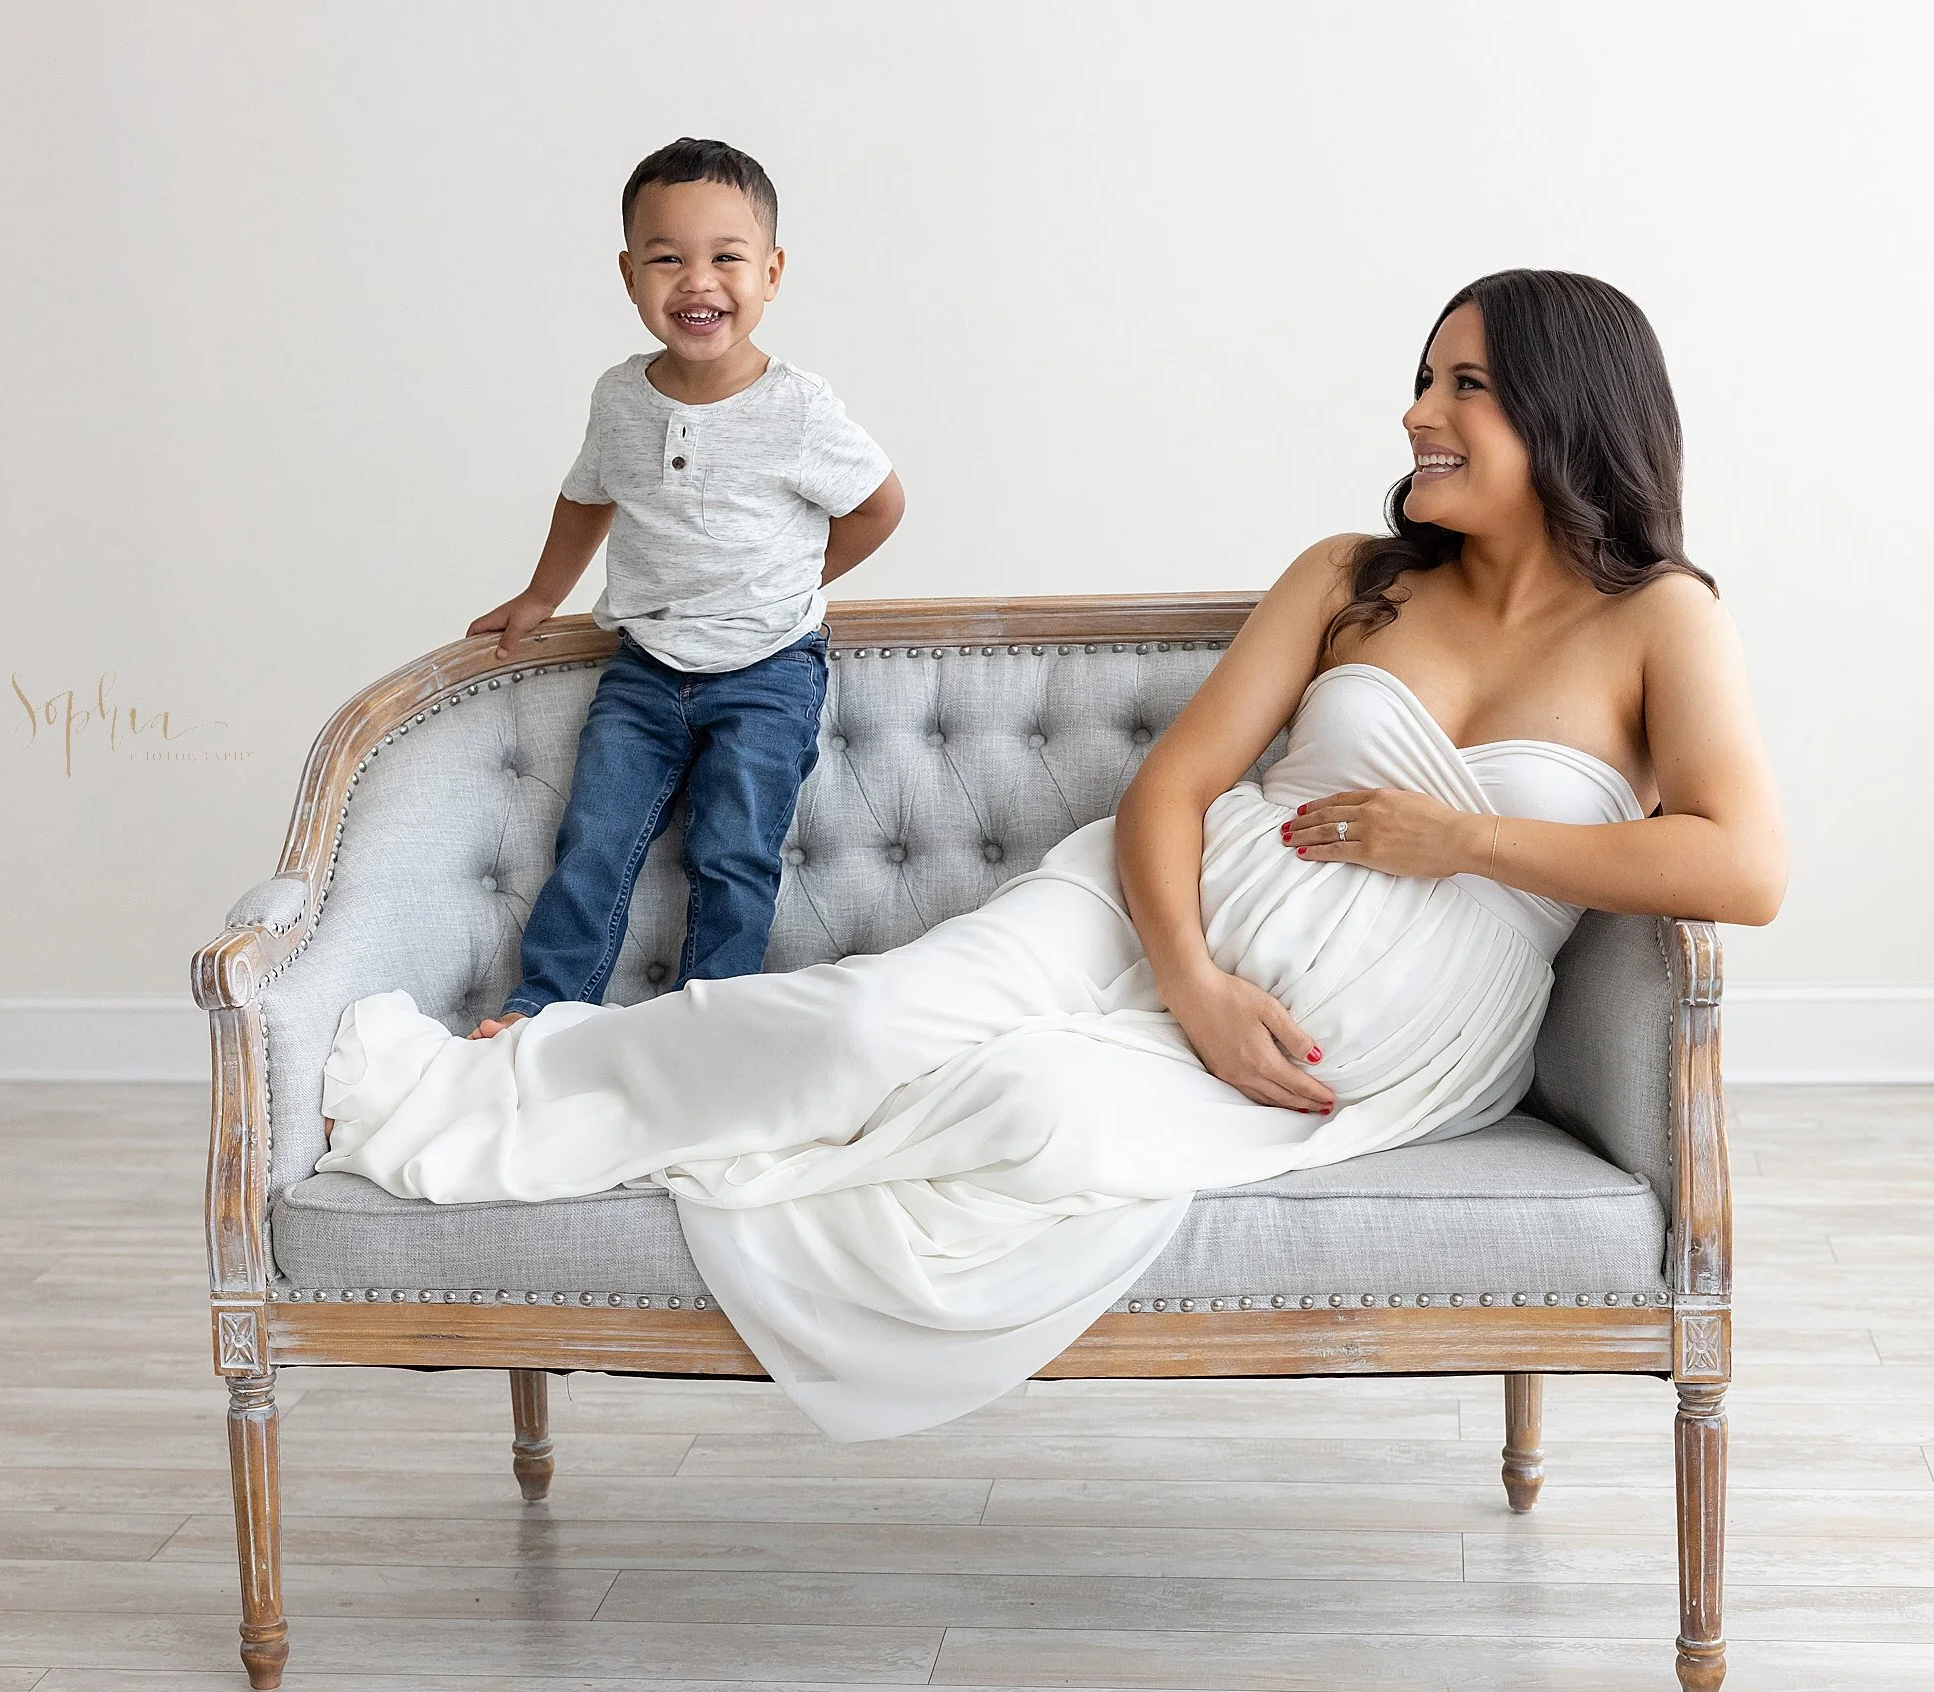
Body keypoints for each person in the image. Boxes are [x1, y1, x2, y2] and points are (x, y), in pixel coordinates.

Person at [322, 270, 1787, 1442]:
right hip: (1153, 913)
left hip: (1372, 1038)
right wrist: (1193, 980)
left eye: (1465, 384)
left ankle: (720, 1156)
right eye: (1422, 378)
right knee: (868, 1023)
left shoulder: (1659, 619)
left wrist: (1457, 836)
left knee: (1034, 1113)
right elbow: (1173, 791)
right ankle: (492, 1087)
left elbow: (1745, 869)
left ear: (1569, 408)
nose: (1418, 413)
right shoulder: (1351, 577)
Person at [464, 138, 906, 1031]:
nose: (696, 280)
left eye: (726, 257)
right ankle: (543, 1011)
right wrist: (541, 597)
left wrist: (792, 579)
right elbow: (587, 497)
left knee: (731, 851)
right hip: (645, 667)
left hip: (768, 669)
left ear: (771, 273)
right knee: (594, 839)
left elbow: (879, 506)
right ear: (629, 275)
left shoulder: (798, 408)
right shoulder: (619, 397)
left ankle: (711, 1022)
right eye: (667, 258)